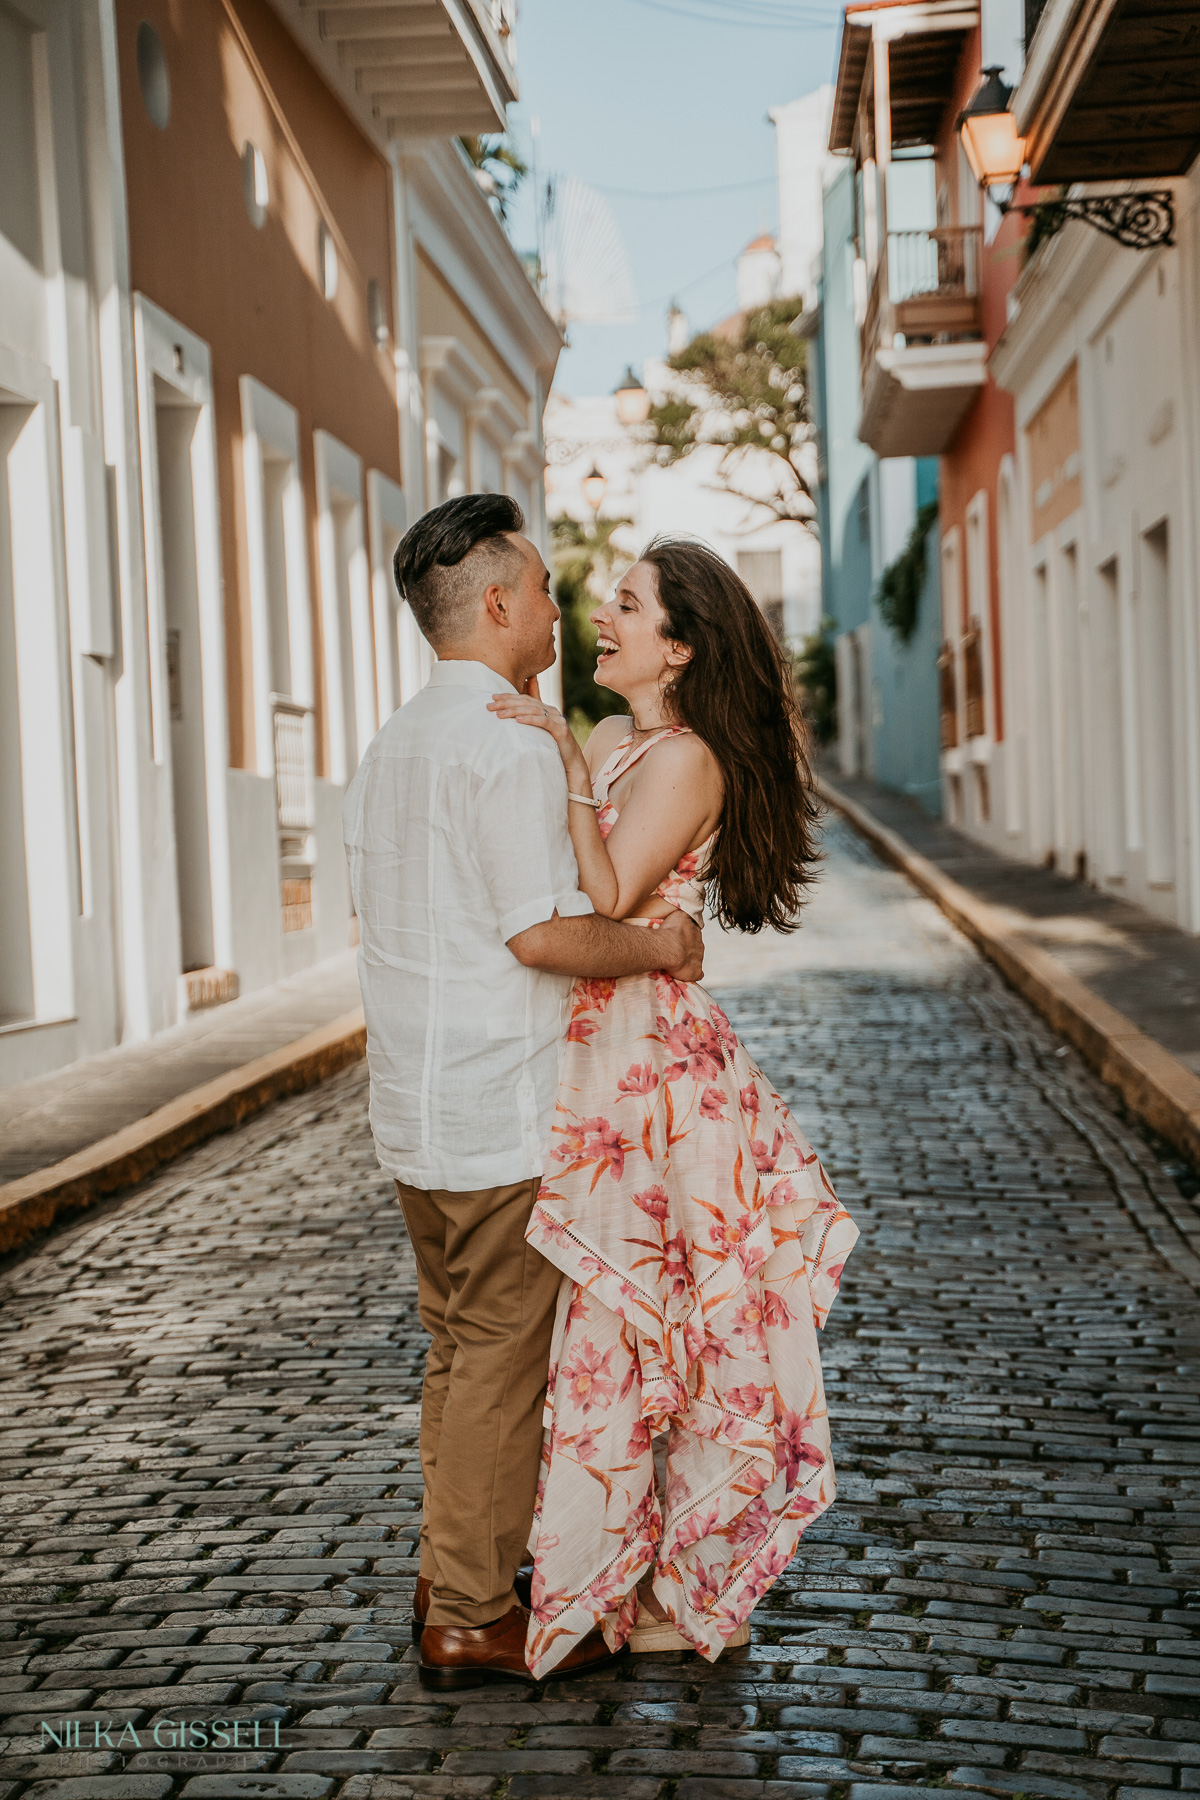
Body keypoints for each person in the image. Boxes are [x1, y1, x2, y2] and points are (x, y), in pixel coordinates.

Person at [342, 496, 707, 1692]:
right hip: (498, 1102)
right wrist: (658, 952)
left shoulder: (394, 740)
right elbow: (543, 935)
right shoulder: (505, 741)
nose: (562, 608)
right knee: (500, 1356)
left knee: (458, 1348)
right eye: (548, 588)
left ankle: (450, 1565)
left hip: (412, 1105)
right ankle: (467, 1612)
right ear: (497, 603)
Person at [486, 537, 859, 1678]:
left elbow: (605, 891)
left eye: (632, 605)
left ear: (681, 646)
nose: (604, 615)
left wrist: (554, 749)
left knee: (676, 1333)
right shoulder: (611, 737)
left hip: (656, 1077)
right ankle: (608, 1576)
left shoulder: (687, 759)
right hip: (594, 1056)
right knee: (606, 1330)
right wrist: (573, 749)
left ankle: (694, 1583)